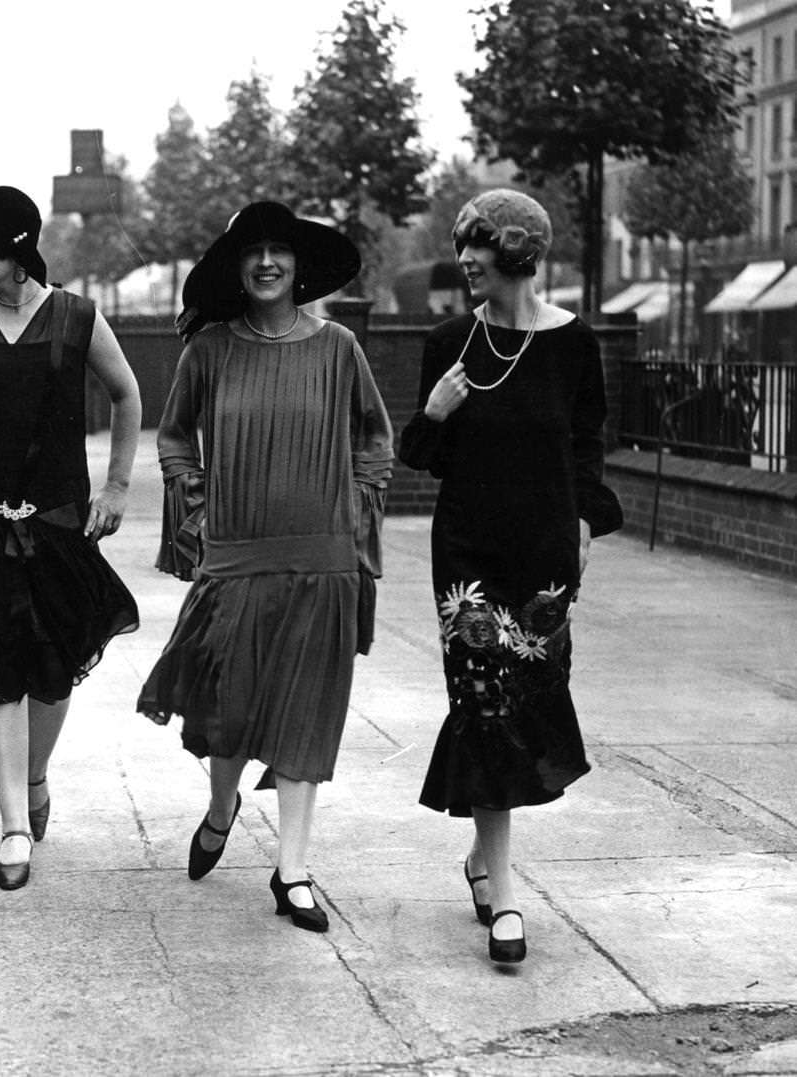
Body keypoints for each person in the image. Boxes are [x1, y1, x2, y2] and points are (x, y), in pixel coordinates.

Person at [138, 201, 392, 934]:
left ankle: (294, 869)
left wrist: (358, 508)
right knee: (227, 705)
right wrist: (196, 512)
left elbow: (375, 436)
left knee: (307, 713)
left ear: (298, 265)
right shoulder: (211, 350)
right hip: (237, 554)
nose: (268, 263)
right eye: (254, 252)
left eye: (280, 250)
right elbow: (175, 435)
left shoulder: (339, 346)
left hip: (323, 557)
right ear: (237, 267)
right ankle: (222, 808)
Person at [398, 189, 623, 964]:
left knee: (526, 705)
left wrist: (587, 523)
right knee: (483, 703)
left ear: (518, 253)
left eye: (479, 244)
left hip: (543, 556)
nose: (465, 257)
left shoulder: (574, 344)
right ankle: (509, 897)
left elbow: (587, 445)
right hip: (466, 556)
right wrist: (434, 410)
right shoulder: (449, 342)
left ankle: (479, 859)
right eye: (463, 244)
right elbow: (417, 457)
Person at [0, 183, 140, 891]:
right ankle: (13, 822)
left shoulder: (76, 318)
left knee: (53, 667)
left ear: (15, 249)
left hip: (57, 522)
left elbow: (127, 393)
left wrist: (115, 487)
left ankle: (36, 771)